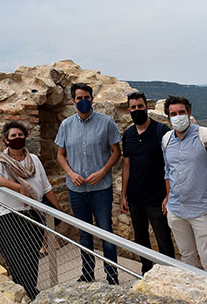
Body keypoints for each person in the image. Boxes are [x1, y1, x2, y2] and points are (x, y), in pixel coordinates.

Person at [162, 96, 207, 301]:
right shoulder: (166, 140)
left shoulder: (205, 136)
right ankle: (195, 292)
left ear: (189, 113)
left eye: (181, 112)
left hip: (201, 209)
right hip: (176, 209)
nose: (178, 117)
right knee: (186, 255)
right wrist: (167, 196)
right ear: (168, 117)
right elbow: (168, 172)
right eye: (173, 114)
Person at [55, 83, 121, 284]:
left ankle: (112, 277)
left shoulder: (106, 123)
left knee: (106, 233)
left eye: (86, 97)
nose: (83, 101)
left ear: (92, 99)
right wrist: (70, 173)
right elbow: (60, 155)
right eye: (79, 98)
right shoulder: (66, 125)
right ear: (73, 100)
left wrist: (102, 172)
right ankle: (87, 274)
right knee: (84, 235)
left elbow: (116, 152)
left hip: (100, 189)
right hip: (76, 189)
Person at [0, 121, 61, 300]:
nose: (17, 138)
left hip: (33, 213)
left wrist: (58, 210)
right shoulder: (0, 161)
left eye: (20, 135)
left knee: (32, 256)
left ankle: (30, 290)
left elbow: (46, 187)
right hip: (11, 215)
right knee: (16, 256)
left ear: (25, 137)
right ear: (6, 140)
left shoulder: (34, 160)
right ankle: (24, 291)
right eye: (13, 136)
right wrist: (17, 187)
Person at [120, 92, 175, 274]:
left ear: (147, 107)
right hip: (135, 197)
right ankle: (146, 272)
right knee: (141, 239)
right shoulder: (128, 134)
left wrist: (168, 195)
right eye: (133, 107)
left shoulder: (162, 131)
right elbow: (126, 165)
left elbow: (170, 165)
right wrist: (123, 195)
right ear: (129, 109)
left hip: (157, 197)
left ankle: (169, 276)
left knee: (163, 240)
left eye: (140, 107)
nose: (137, 110)